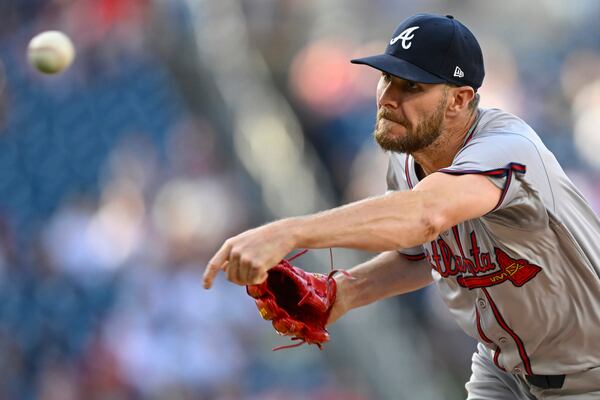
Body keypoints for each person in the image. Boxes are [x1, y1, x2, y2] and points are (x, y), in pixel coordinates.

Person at [203, 13, 600, 399]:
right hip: (503, 369)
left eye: (411, 86)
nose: (389, 98)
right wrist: (342, 293)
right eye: (387, 78)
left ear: (459, 100)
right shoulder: (410, 155)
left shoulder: (507, 148)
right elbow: (423, 254)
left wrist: (285, 230)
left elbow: (426, 217)